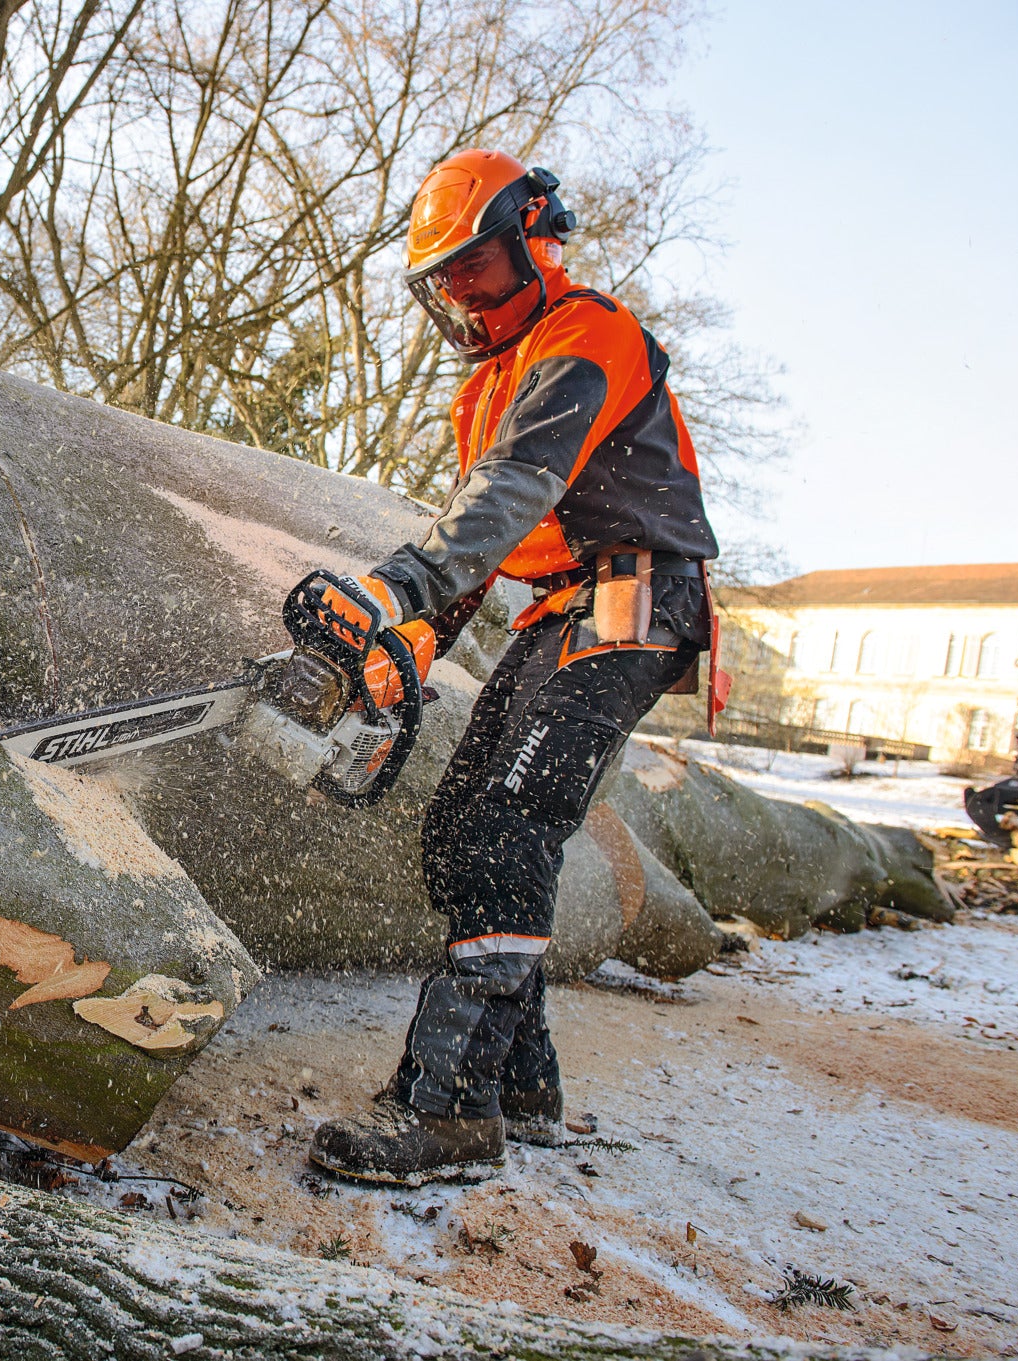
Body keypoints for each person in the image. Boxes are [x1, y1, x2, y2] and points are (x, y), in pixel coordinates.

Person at [304, 149, 720, 1185]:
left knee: (505, 826)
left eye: (477, 267)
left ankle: (447, 1109)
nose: (461, 293)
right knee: (459, 829)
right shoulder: (483, 386)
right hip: (558, 606)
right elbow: (479, 541)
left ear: (536, 236)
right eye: (444, 277)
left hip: (629, 595)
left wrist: (393, 584)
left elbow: (513, 490)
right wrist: (415, 635)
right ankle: (521, 1087)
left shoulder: (588, 334)